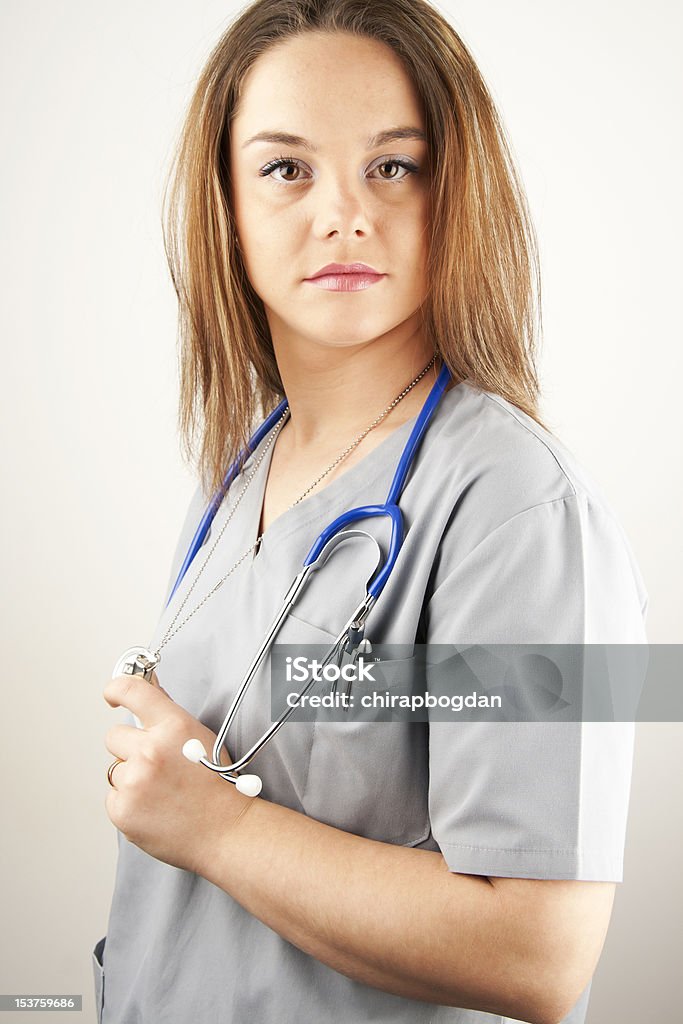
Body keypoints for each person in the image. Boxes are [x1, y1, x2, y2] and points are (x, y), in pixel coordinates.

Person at [94, 1, 649, 1022]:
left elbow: (536, 952)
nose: (343, 213)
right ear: (224, 203)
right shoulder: (240, 468)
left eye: (392, 165)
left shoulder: (516, 510)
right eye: (285, 168)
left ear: (457, 191)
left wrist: (211, 826)